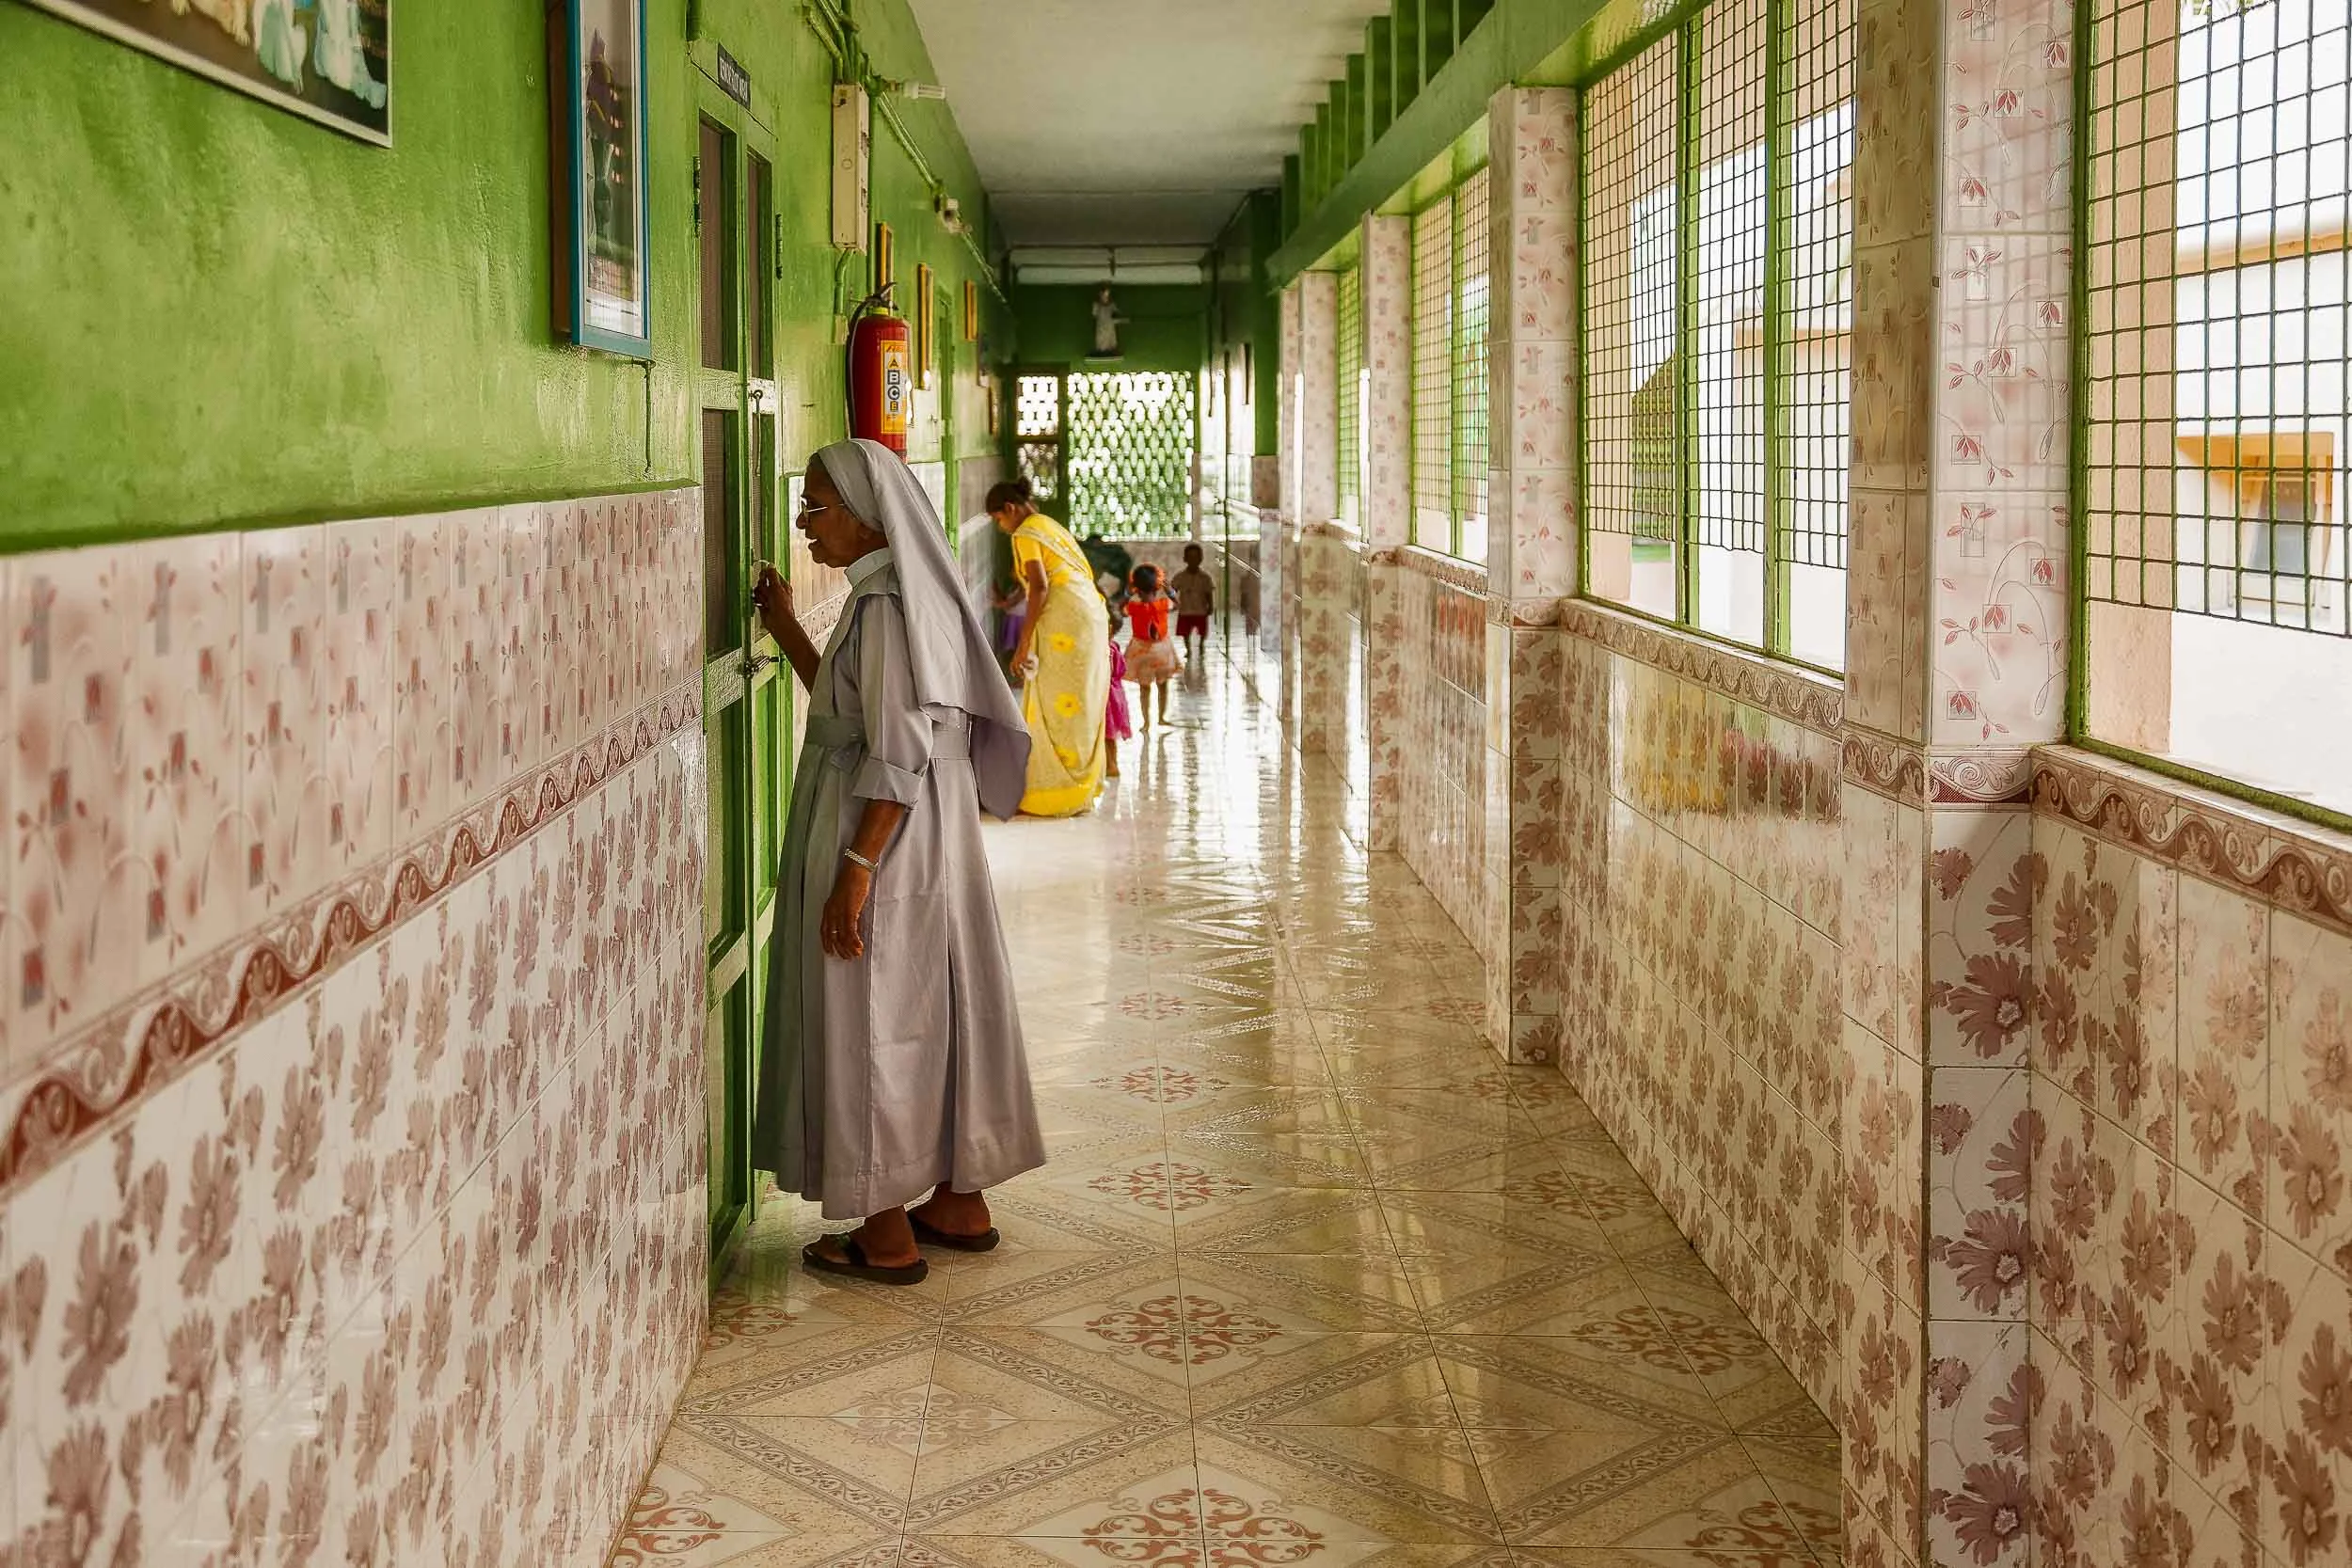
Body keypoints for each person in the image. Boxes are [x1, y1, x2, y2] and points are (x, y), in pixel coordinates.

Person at [751, 439, 1046, 1286]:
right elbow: (859, 714)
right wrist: (783, 628)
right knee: (939, 1002)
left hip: (884, 833)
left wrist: (853, 870)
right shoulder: (904, 598)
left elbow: (894, 754)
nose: (805, 523)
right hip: (932, 838)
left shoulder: (885, 610)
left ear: (868, 516)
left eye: (817, 506)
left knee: (867, 1015)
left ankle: (884, 1235)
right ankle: (958, 1200)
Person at [988, 479, 1110, 816]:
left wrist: (1023, 645)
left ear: (1010, 510)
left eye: (999, 520)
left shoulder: (1026, 532)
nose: (1002, 527)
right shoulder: (1048, 525)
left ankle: (1057, 791)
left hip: (1065, 621)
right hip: (1087, 615)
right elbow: (1043, 579)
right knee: (1079, 701)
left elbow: (1040, 587)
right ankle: (1079, 784)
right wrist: (1011, 600)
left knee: (1057, 702)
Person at [1122, 563, 1180, 728]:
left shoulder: (1133, 607)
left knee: (1144, 688)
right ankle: (1161, 718)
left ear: (1137, 589)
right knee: (1163, 685)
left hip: (1140, 652)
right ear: (1157, 587)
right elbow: (1177, 604)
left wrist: (1127, 593)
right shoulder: (1163, 604)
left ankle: (1146, 723)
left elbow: (1120, 608)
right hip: (1162, 650)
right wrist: (1170, 591)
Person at [1169, 544, 1216, 664]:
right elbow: (1173, 590)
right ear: (1185, 559)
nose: (1193, 560)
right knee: (1185, 632)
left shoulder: (1205, 577)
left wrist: (1210, 605)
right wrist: (1174, 603)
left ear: (1201, 559)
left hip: (1200, 610)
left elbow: (1208, 592)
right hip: (1185, 610)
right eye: (1190, 557)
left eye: (1196, 557)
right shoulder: (1180, 577)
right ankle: (1188, 649)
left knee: (1202, 631)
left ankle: (1201, 645)